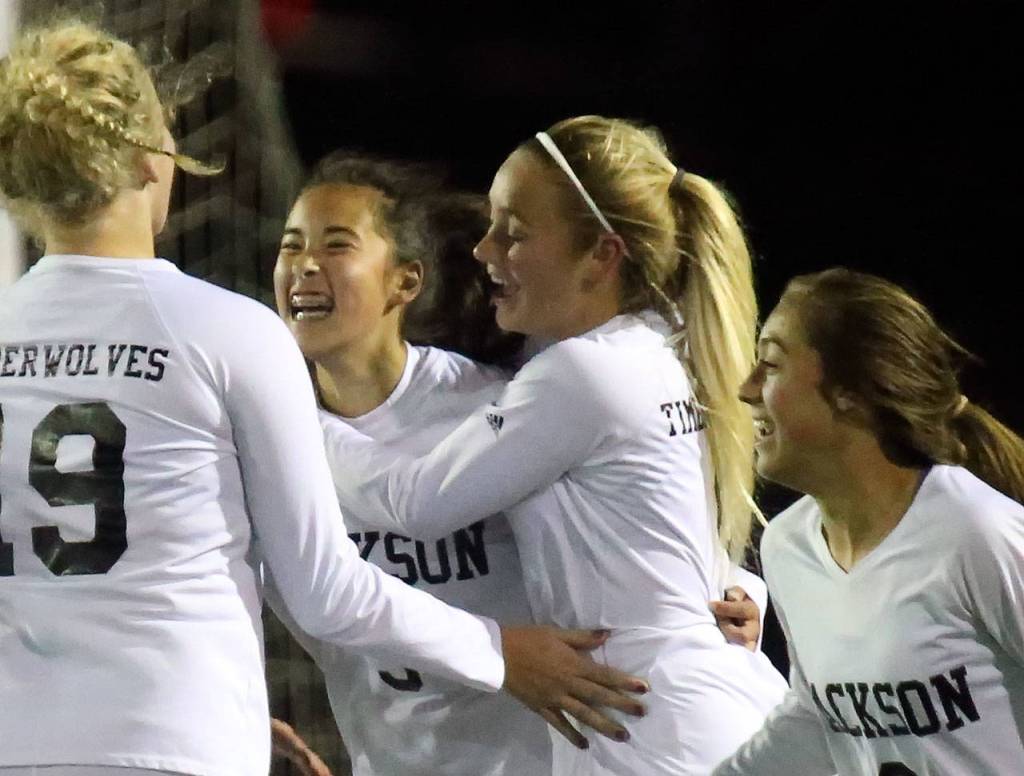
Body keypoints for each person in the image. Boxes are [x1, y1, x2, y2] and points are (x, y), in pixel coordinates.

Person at [0, 22, 644, 776]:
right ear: (150, 158)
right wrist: (499, 651)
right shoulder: (228, 332)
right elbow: (324, 589)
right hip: (177, 735)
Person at [272, 151, 773, 774]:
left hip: (580, 747)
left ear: (406, 280)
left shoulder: (498, 405)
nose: (305, 266)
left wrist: (736, 586)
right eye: (290, 246)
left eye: (337, 244)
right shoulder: (246, 448)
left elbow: (647, 522)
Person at [714, 268, 1024, 775]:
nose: (747, 390)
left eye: (769, 365)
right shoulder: (788, 546)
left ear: (850, 393)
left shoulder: (978, 535)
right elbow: (818, 720)